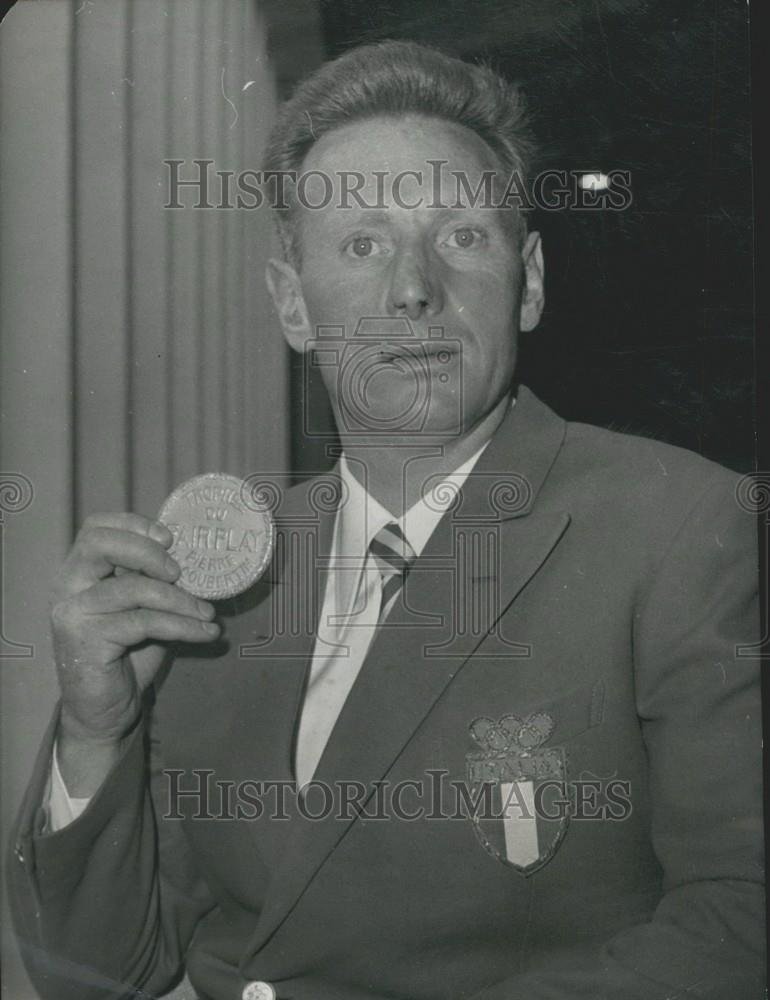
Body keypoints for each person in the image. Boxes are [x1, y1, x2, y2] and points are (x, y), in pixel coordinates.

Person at [8, 39, 764, 1000]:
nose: (412, 289)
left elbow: (742, 921)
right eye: (362, 244)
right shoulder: (229, 579)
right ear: (292, 303)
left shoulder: (678, 527)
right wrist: (94, 733)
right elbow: (104, 974)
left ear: (527, 280)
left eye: (460, 236)